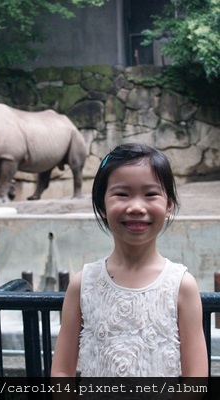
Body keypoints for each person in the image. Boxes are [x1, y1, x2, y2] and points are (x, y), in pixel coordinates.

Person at [51, 142, 208, 378]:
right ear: (102, 204)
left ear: (169, 205)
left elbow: (196, 376)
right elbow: (62, 370)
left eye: (151, 194)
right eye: (122, 194)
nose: (136, 207)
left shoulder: (182, 286)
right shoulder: (83, 284)